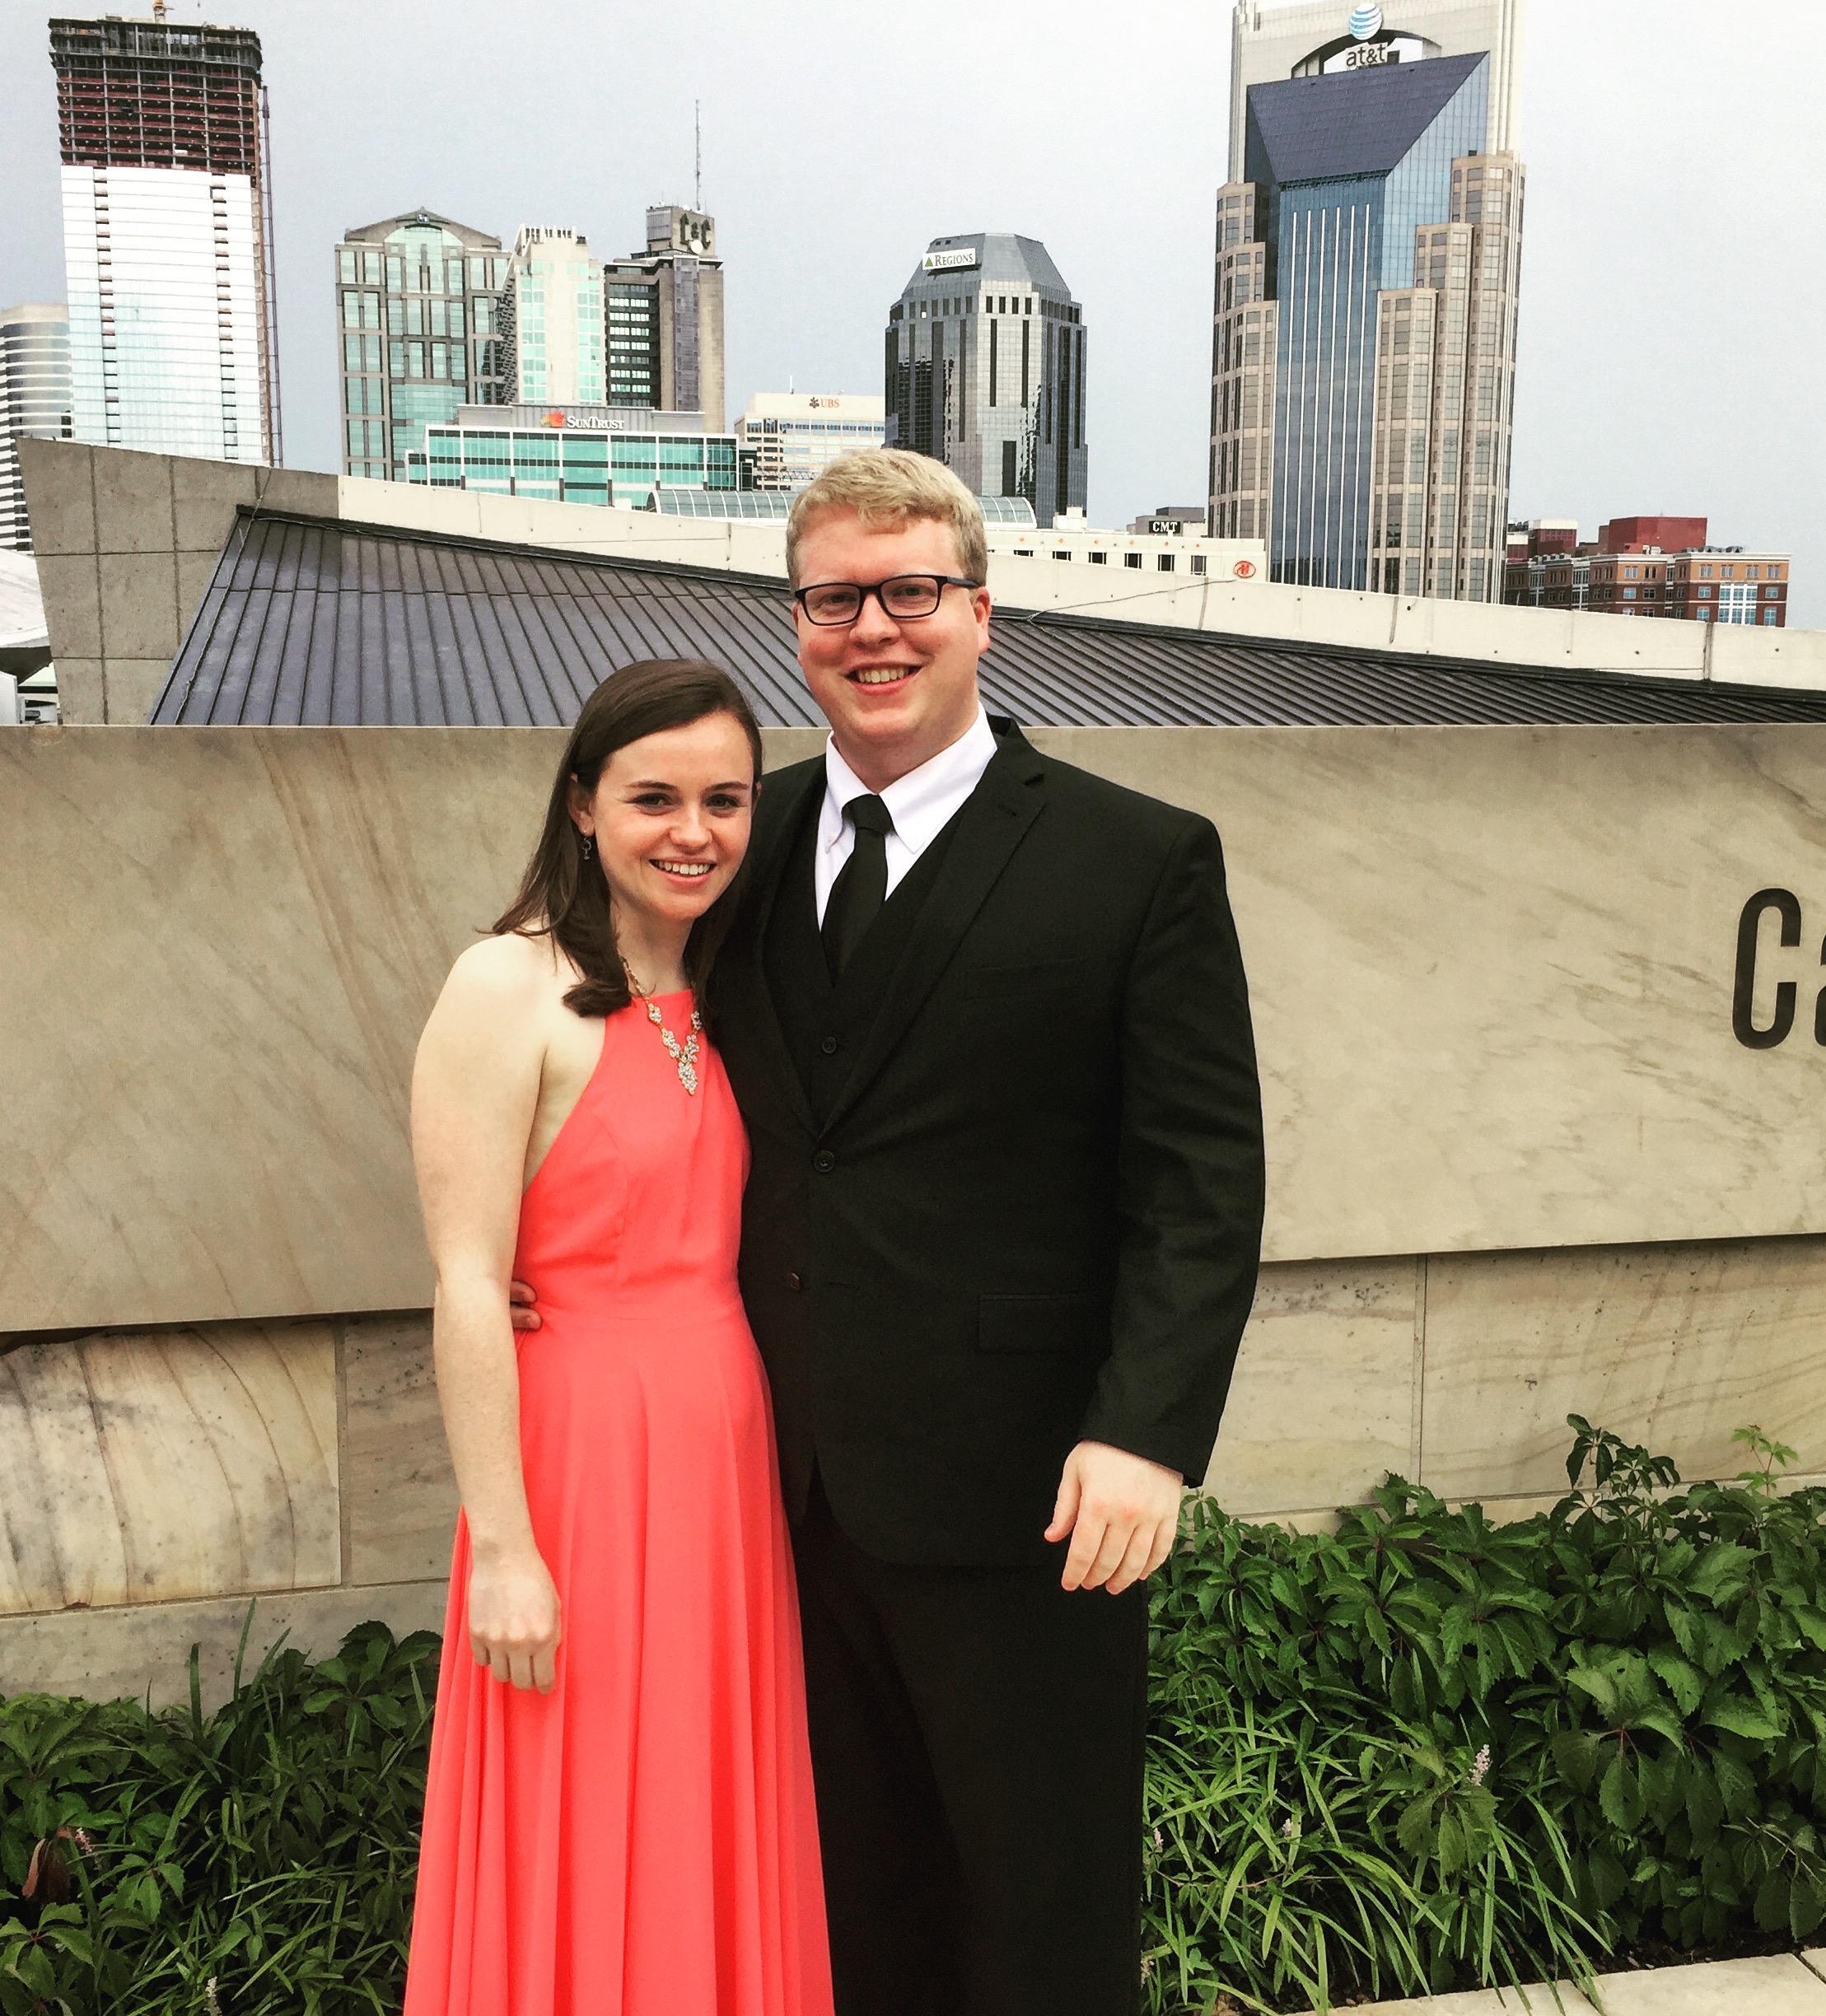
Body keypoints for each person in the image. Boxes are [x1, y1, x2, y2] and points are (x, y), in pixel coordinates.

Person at [513, 449, 1267, 2015]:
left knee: (1037, 1908)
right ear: (798, 624)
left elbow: (1201, 1182)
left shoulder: (1138, 859)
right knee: (839, 1909)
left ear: (981, 611)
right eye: (835, 599)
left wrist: (1148, 1435)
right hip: (769, 1491)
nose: (875, 629)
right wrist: (547, 1264)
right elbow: (603, 1033)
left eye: (911, 591)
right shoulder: (738, 837)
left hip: (1027, 1493)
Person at [404, 659, 834, 2016]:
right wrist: (504, 1550)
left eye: (725, 801)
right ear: (583, 804)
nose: (692, 832)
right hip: (579, 1465)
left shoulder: (725, 986)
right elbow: (466, 1280)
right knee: (578, 1796)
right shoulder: (507, 983)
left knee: (707, 1798)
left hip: (723, 1463)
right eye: (655, 798)